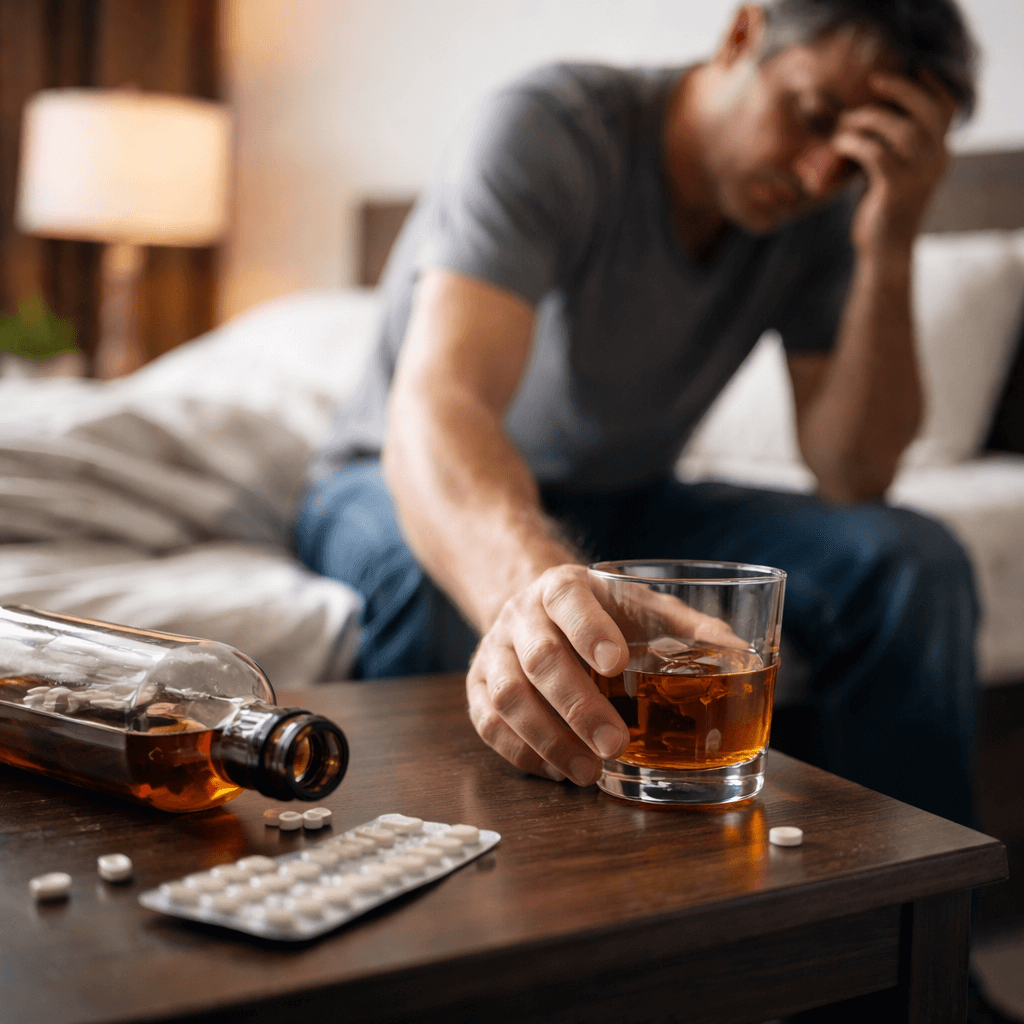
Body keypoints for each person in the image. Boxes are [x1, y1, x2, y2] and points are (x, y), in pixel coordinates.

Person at [295, 0, 980, 828]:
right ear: (743, 33)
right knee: (438, 586)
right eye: (811, 115)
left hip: (628, 495)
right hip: (394, 474)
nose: (814, 174)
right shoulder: (553, 128)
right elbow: (443, 408)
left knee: (912, 561)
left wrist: (891, 239)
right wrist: (534, 595)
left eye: (853, 160)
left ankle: (917, 939)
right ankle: (432, 908)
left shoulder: (824, 212)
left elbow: (855, 471)